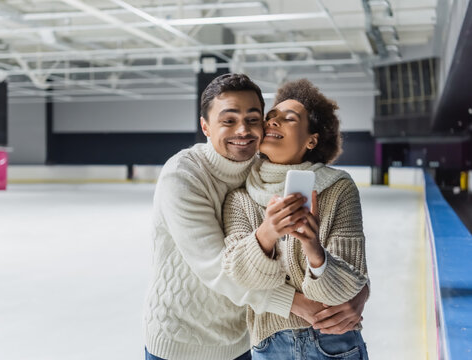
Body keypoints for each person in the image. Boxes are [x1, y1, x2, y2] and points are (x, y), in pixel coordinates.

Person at [144, 74, 368, 360]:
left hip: (245, 341)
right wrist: (296, 304)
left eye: (253, 119)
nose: (243, 130)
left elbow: (344, 257)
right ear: (205, 126)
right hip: (184, 342)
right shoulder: (184, 175)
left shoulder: (260, 169)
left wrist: (358, 290)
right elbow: (218, 268)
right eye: (228, 121)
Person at [222, 78, 370, 359]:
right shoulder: (239, 197)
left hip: (334, 343)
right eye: (270, 118)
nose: (272, 123)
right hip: (268, 345)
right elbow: (239, 276)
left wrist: (314, 249)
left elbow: (349, 288)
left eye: (288, 119)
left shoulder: (338, 188)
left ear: (312, 139)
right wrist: (267, 232)